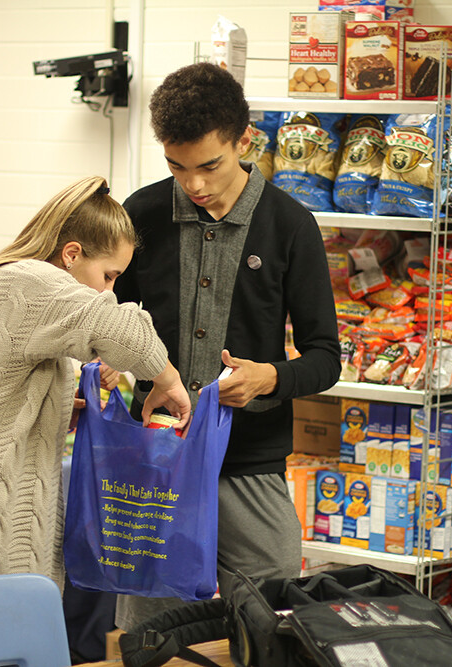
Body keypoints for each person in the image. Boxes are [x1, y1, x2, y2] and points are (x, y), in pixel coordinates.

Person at [0, 176, 191, 636]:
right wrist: (167, 378)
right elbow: (121, 328)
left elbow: (1, 399)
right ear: (71, 255)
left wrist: (54, 409)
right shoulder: (28, 281)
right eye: (108, 275)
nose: (108, 290)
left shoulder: (19, 284)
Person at [113, 62, 340, 630]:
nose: (193, 184)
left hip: (250, 464)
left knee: (275, 622)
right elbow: (110, 325)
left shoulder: (291, 225)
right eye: (176, 166)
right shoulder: (140, 214)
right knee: (152, 634)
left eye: (209, 165)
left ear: (244, 141)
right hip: (156, 460)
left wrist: (271, 378)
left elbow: (325, 358)